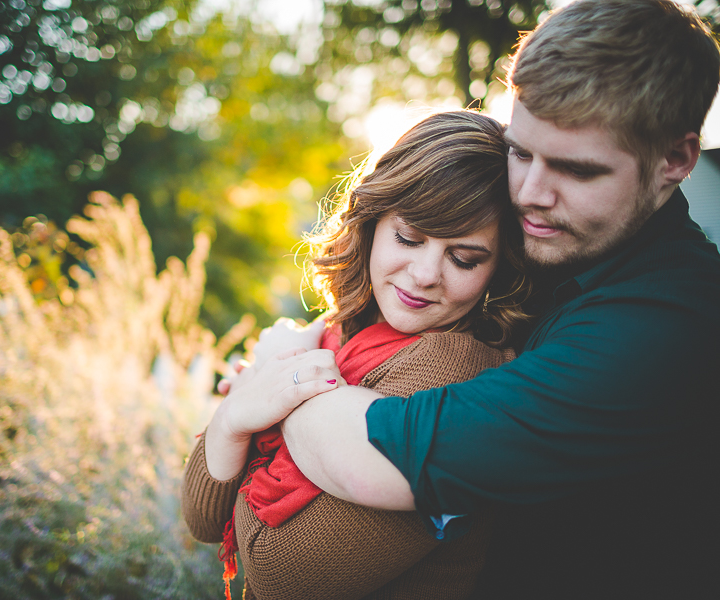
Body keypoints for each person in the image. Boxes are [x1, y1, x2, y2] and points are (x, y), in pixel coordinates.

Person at [239, 1, 720, 598]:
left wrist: (281, 378)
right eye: (521, 151)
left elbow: (382, 457)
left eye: (576, 169)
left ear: (675, 160)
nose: (529, 193)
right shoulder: (542, 249)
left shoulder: (670, 324)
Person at [181, 110, 532, 599]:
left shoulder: (457, 369)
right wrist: (234, 418)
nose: (426, 273)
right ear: (372, 222)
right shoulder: (339, 330)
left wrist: (276, 380)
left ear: (499, 266)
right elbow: (201, 515)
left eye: (464, 257)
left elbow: (278, 573)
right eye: (409, 237)